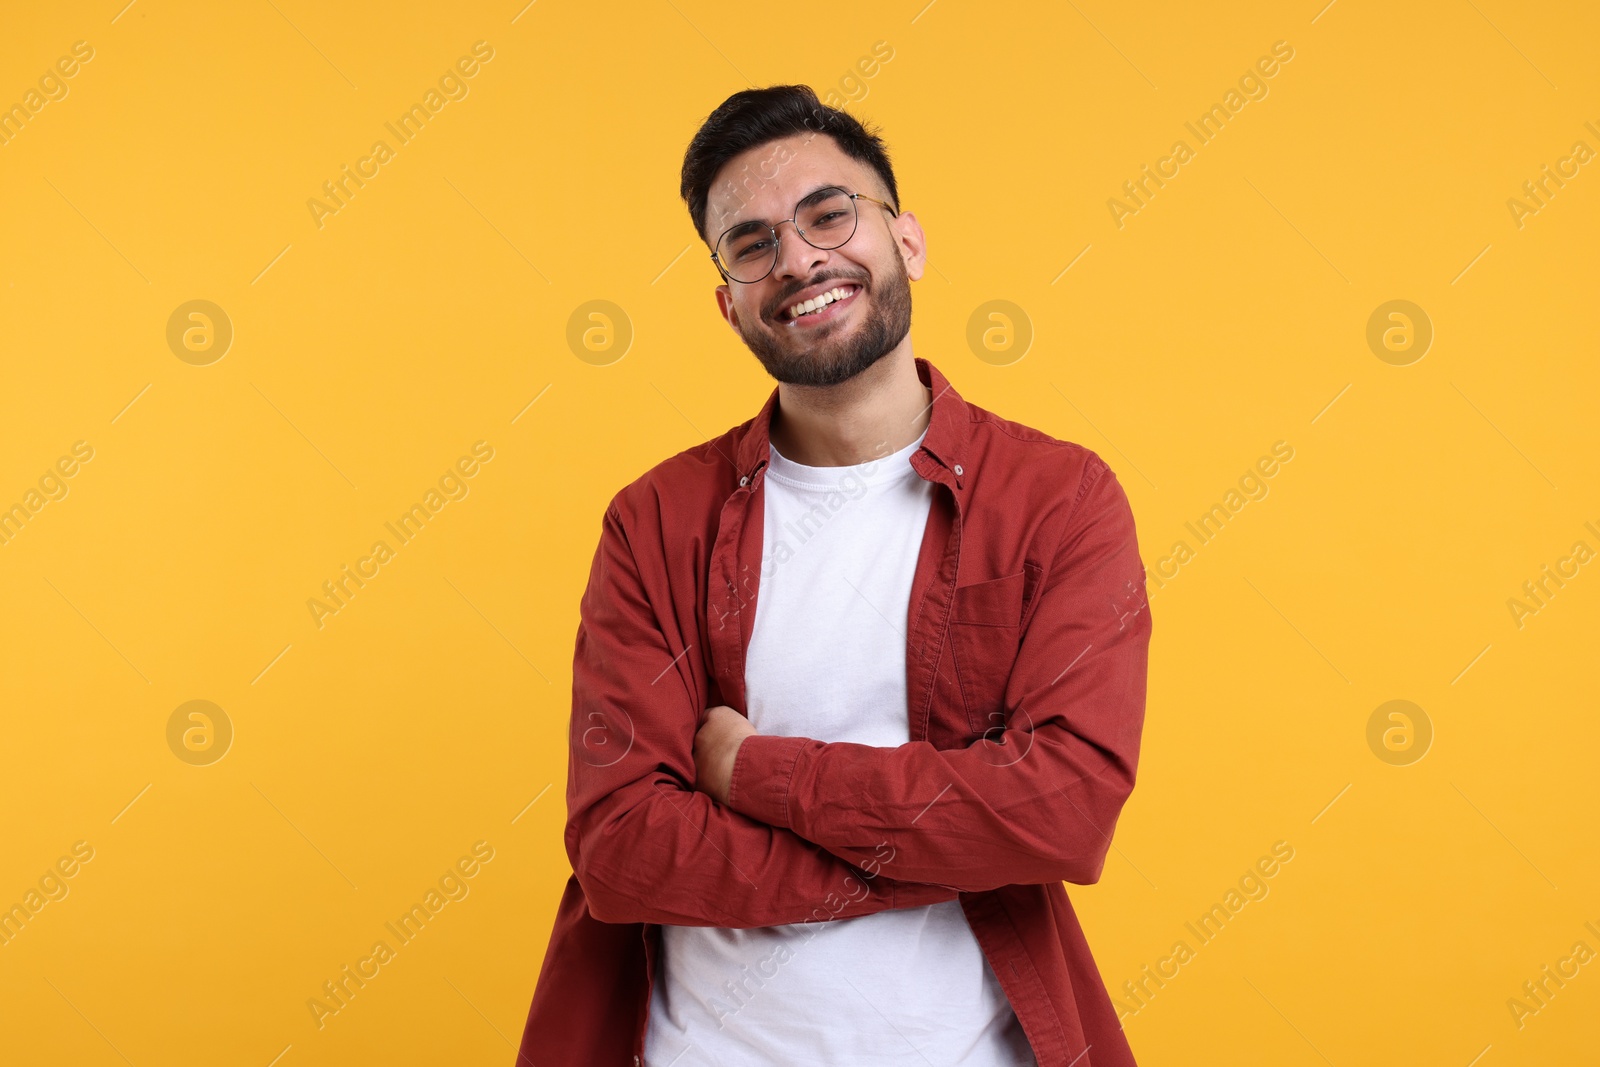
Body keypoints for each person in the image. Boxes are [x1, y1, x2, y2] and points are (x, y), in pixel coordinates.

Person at [517, 84, 1152, 1067]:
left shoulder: (1056, 498)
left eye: (828, 214)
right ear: (727, 303)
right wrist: (936, 849)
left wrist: (748, 771)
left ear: (907, 242)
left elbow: (1062, 808)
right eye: (753, 242)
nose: (800, 259)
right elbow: (623, 846)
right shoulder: (654, 521)